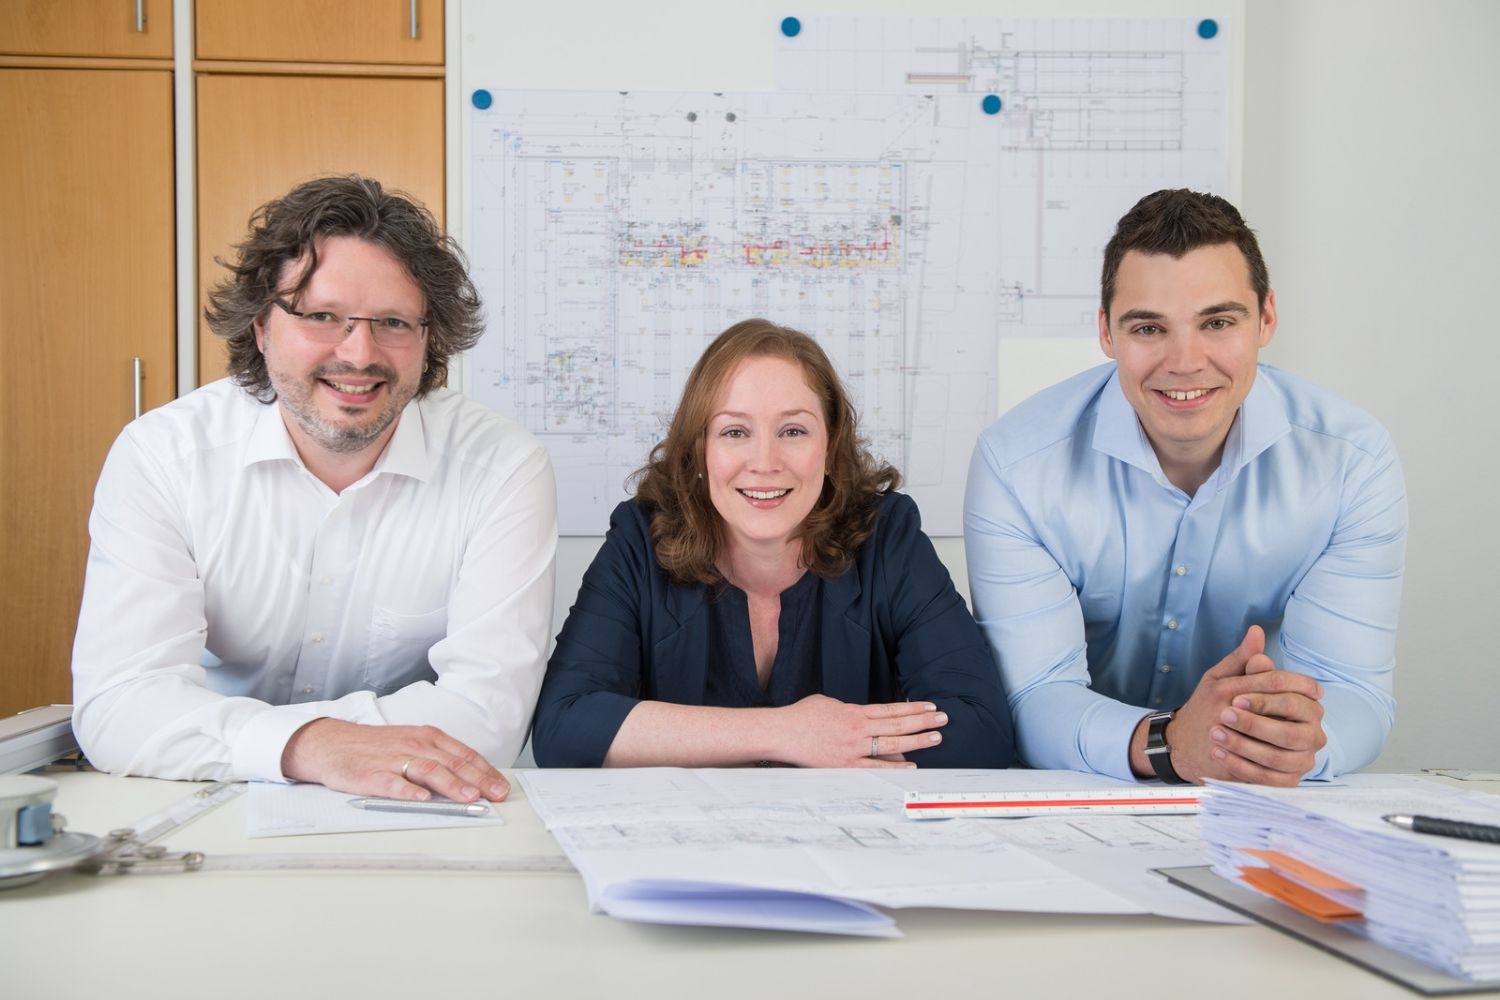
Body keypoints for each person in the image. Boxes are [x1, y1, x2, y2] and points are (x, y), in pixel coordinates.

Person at [71, 176, 557, 804]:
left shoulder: (502, 468)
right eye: (322, 316)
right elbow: (119, 704)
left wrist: (244, 733)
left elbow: (489, 719)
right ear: (261, 327)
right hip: (203, 793)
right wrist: (309, 746)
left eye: (392, 322)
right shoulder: (164, 456)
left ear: (428, 338)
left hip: (406, 808)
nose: (358, 353)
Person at [964, 189, 1407, 786]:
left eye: (1218, 322)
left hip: (1259, 792)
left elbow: (1353, 692)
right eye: (1149, 328)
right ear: (1106, 332)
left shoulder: (1352, 463)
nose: (1185, 361)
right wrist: (1169, 743)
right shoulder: (1017, 465)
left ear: (1266, 318)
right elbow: (1034, 696)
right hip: (1078, 791)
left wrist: (1291, 744)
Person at [532, 319, 1014, 768]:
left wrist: (842, 743)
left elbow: (981, 728)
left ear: (831, 448)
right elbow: (565, 726)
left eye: (793, 430)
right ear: (700, 450)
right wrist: (787, 733)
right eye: (734, 431)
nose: (764, 462)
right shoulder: (640, 537)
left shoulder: (887, 536)